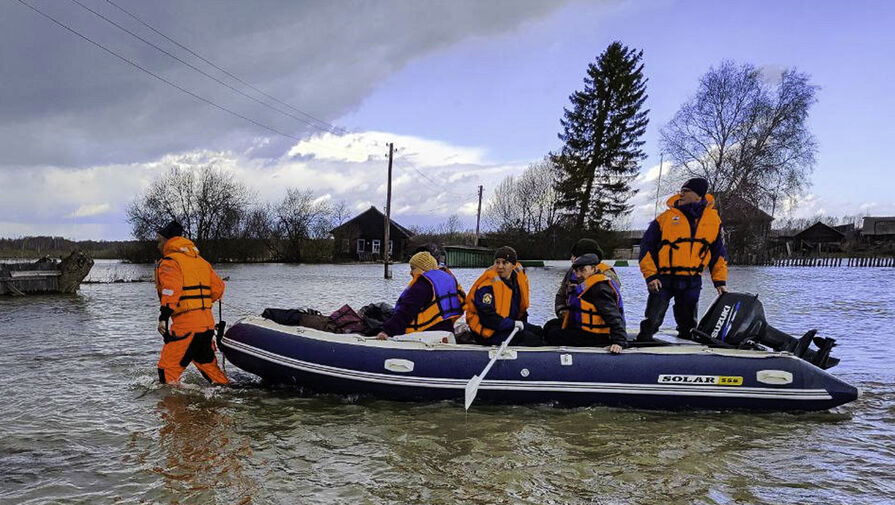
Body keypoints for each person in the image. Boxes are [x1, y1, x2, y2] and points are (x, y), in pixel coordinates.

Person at [636, 177, 728, 342]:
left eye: (686, 191)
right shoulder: (664, 218)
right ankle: (643, 341)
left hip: (692, 280)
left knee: (688, 323)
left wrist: (720, 281)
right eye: (681, 191)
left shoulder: (714, 221)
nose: (681, 194)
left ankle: (687, 353)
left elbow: (718, 254)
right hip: (663, 278)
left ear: (699, 195)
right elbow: (646, 249)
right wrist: (651, 276)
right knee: (653, 318)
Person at [154, 220, 228, 385]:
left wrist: (163, 318)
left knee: (167, 373)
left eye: (159, 241)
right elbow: (218, 288)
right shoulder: (201, 262)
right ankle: (227, 401)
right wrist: (200, 304)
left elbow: (170, 291)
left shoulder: (170, 262)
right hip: (207, 326)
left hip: (186, 328)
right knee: (212, 372)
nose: (158, 245)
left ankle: (172, 409)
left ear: (167, 240)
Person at [545, 254, 626, 353]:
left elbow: (613, 316)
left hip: (598, 335)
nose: (578, 275)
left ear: (594, 268)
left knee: (554, 335)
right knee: (550, 325)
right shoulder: (587, 284)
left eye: (582, 270)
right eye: (576, 271)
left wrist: (619, 341)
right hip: (584, 328)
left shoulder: (600, 289)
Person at [464, 246, 543, 346]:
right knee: (530, 339)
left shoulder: (516, 283)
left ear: (513, 266)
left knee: (539, 331)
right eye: (497, 262)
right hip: (488, 332)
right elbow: (487, 318)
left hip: (506, 326)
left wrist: (521, 324)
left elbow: (520, 311)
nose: (500, 266)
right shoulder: (487, 287)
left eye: (505, 263)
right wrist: (514, 324)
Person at [376, 251, 464, 339]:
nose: (410, 272)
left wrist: (386, 331)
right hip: (446, 331)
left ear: (422, 268)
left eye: (413, 268)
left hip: (424, 334)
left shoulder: (422, 285)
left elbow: (405, 311)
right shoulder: (448, 280)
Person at [554, 238, 622, 320]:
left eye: (574, 256)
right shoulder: (572, 272)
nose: (571, 259)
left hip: (596, 324)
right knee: (551, 326)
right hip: (574, 319)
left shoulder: (607, 276)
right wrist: (562, 313)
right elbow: (560, 295)